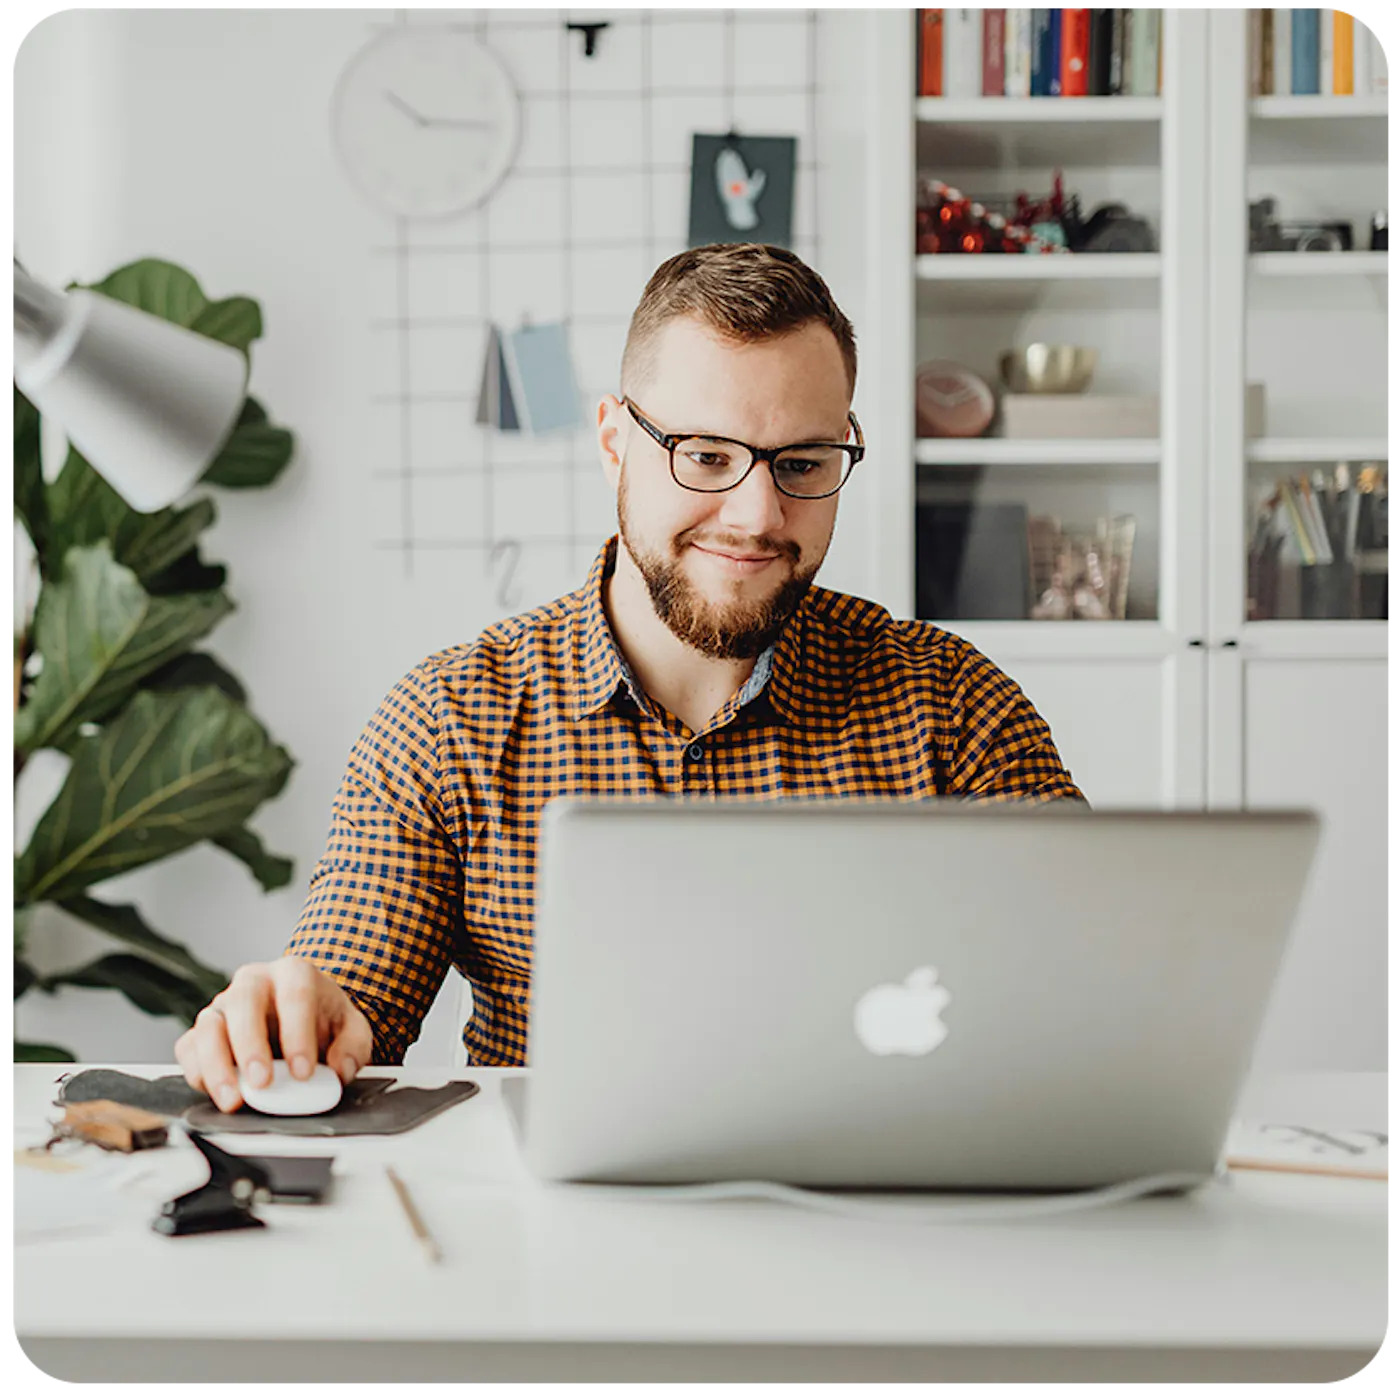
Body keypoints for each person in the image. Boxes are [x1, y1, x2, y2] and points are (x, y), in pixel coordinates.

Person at [176, 242, 1086, 1110]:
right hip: (559, 1243)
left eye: (804, 463)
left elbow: (1095, 979)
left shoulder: (951, 703)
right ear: (614, 439)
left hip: (883, 1225)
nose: (757, 514)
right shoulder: (451, 718)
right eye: (706, 456)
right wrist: (298, 1020)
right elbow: (351, 998)